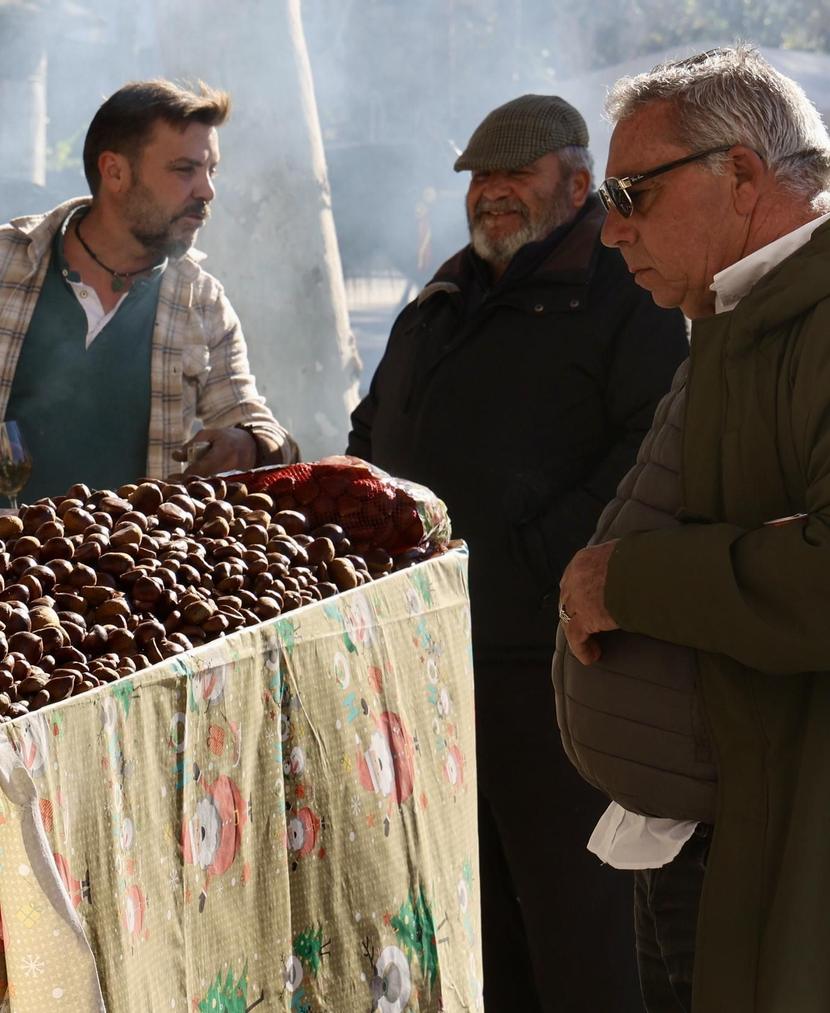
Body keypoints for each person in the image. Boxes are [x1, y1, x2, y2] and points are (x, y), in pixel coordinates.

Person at [347, 94, 689, 1011]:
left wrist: (536, 557)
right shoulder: (446, 291)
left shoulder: (622, 289)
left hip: (557, 663)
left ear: (579, 183)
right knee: (474, 924)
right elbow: (374, 427)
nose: (491, 193)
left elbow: (650, 447)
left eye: (514, 175)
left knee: (580, 934)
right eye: (479, 178)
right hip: (432, 660)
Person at [555, 46, 830, 1012]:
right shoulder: (736, 311)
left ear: (743, 176)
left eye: (632, 192)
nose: (612, 228)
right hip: (702, 834)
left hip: (785, 845)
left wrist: (622, 581)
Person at [0, 79, 295, 505]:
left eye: (211, 171)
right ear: (114, 171)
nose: (207, 190)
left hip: (136, 566)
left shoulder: (202, 302)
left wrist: (248, 443)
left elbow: (254, 422)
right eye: (185, 170)